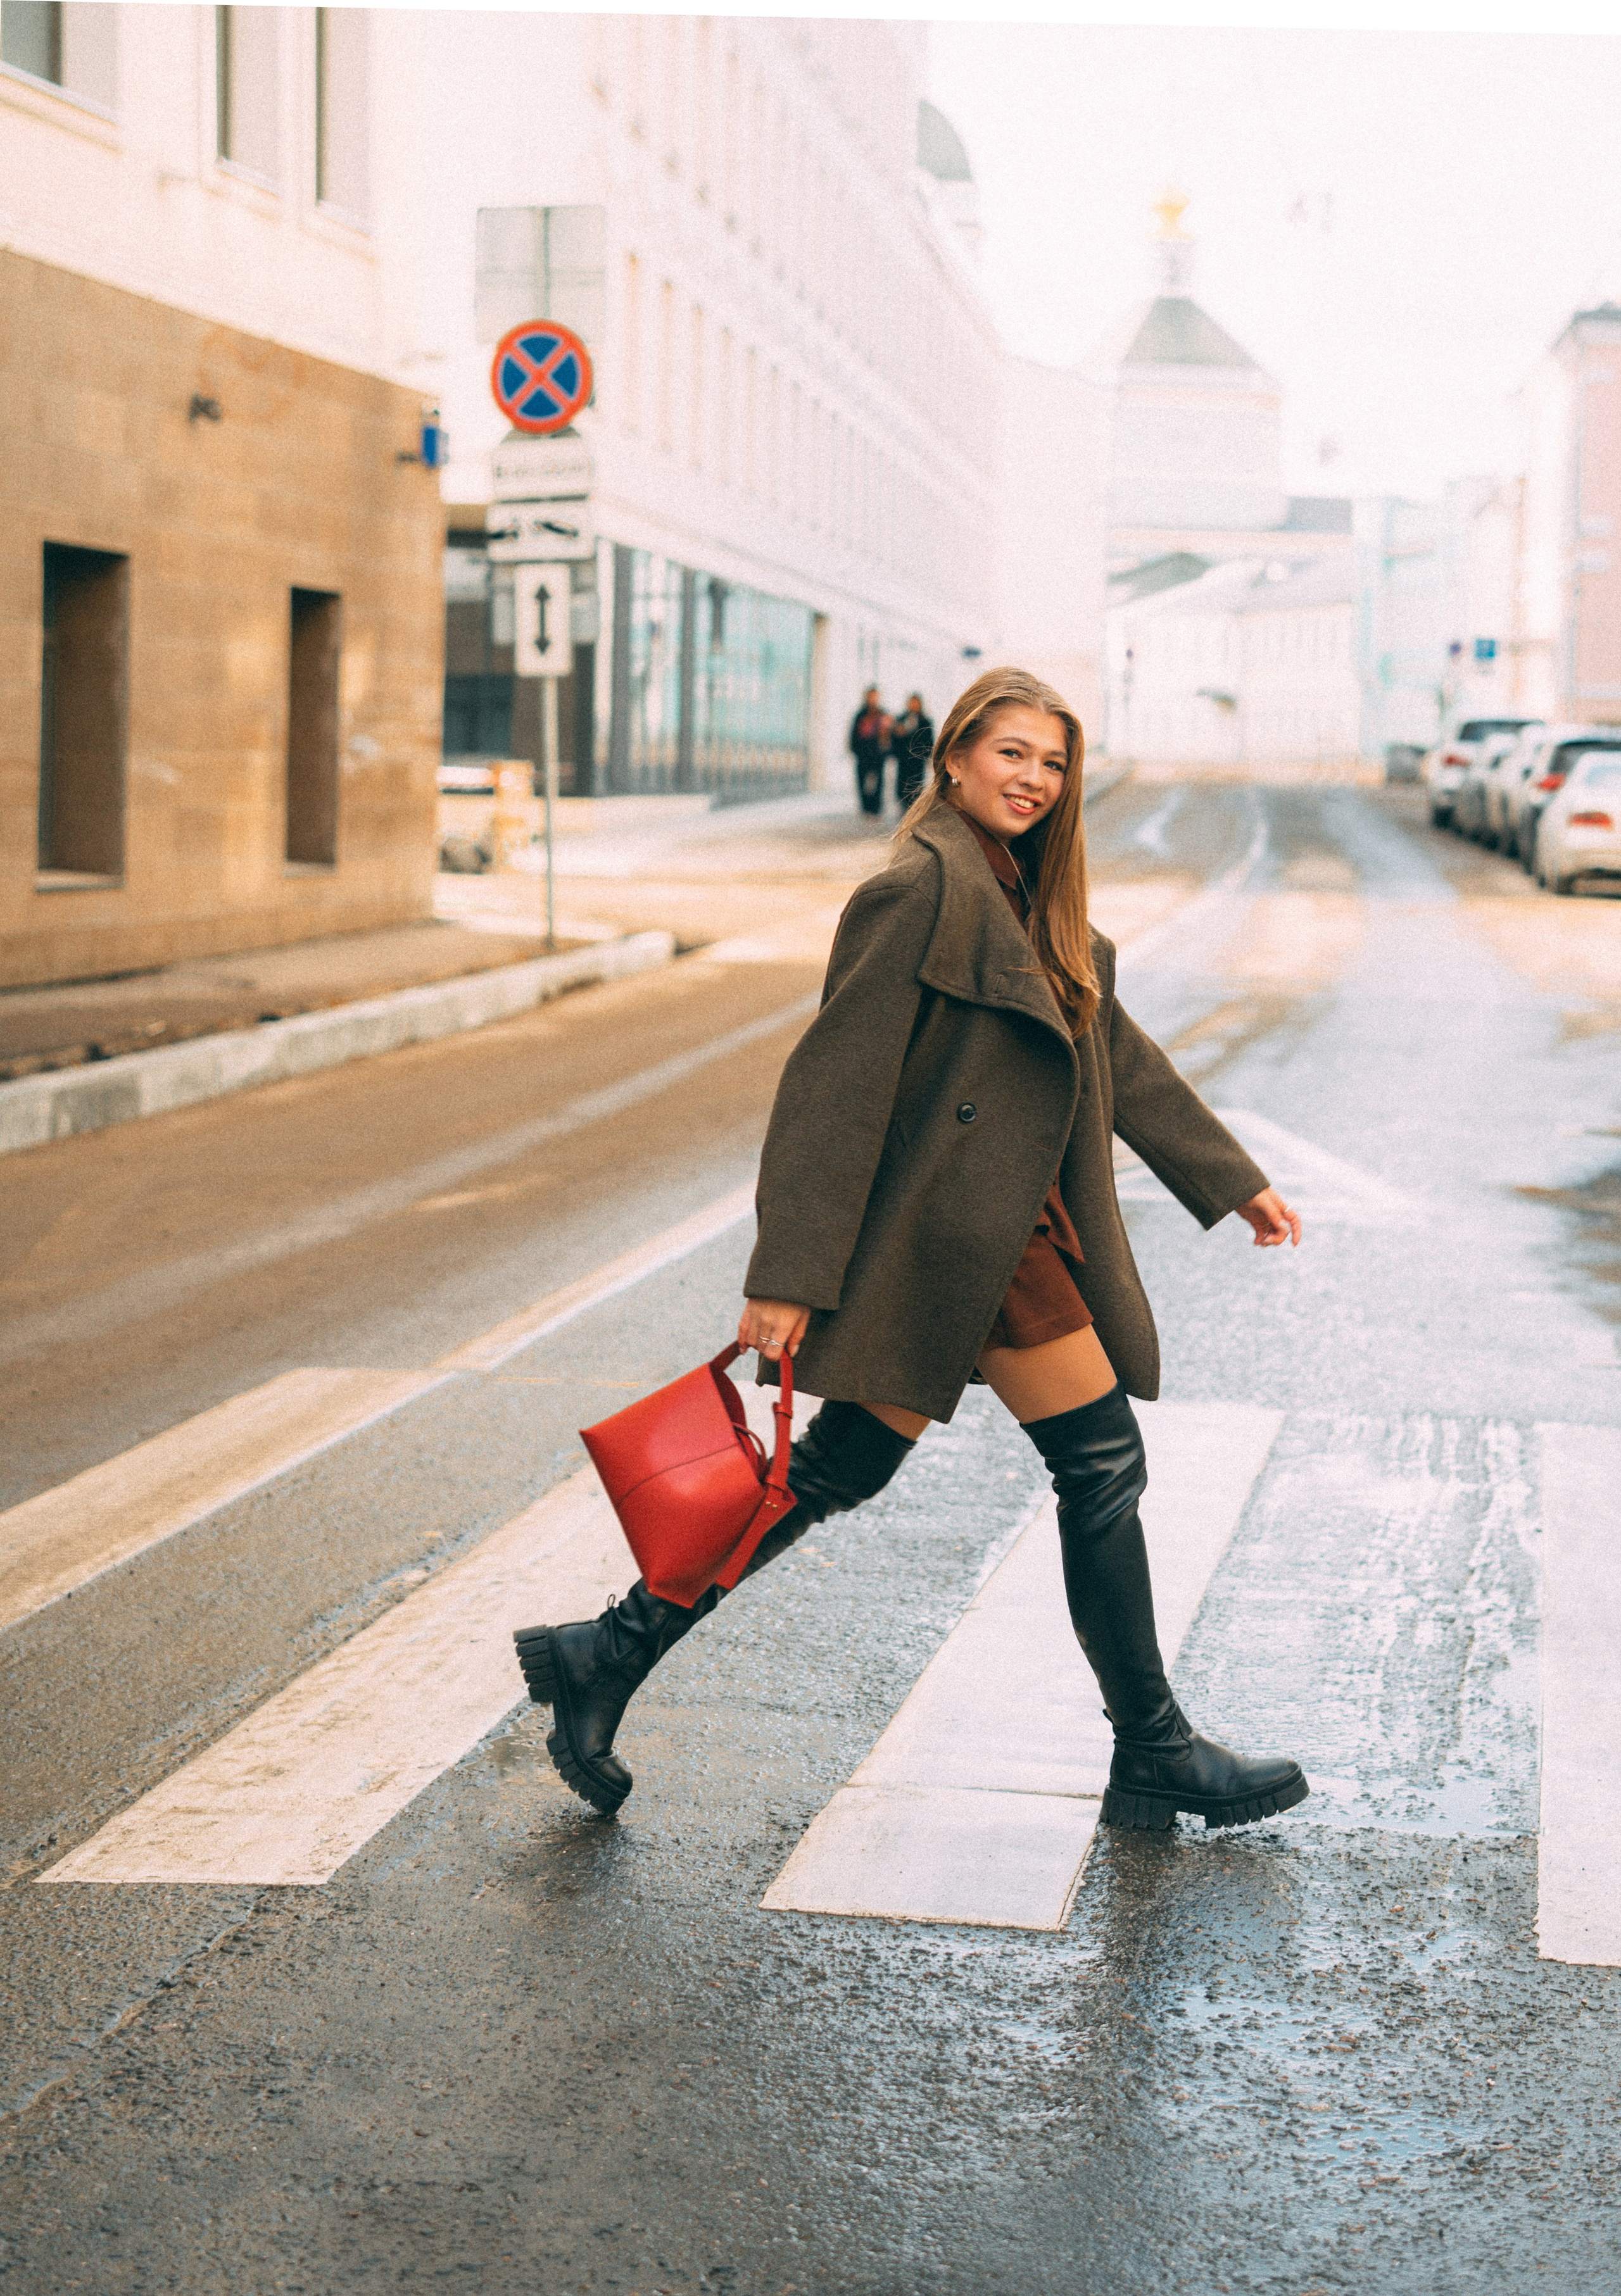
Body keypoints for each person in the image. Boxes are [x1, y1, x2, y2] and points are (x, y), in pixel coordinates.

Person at [517, 666, 1309, 1836]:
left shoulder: (1032, 901)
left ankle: (608, 1651)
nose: (1033, 779)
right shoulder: (917, 892)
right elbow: (832, 1088)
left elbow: (1115, 1054)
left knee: (838, 1469)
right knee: (1101, 1465)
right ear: (953, 757)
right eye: (1012, 753)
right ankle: (1154, 1748)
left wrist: (1228, 1177)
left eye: (1053, 763)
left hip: (989, 1238)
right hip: (966, 1239)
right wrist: (788, 1274)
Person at [848, 686, 890, 817]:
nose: (873, 699)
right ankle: (865, 807)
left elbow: (888, 733)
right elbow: (854, 734)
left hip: (878, 755)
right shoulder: (860, 715)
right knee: (862, 782)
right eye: (871, 696)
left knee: (878, 782)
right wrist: (856, 750)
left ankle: (876, 808)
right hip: (863, 754)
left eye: (875, 696)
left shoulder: (882, 714)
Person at [889, 692, 935, 808]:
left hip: (918, 761)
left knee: (916, 787)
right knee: (902, 788)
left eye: (916, 703)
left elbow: (929, 742)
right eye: (912, 703)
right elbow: (893, 741)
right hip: (903, 760)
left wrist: (926, 756)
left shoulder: (925, 722)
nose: (914, 705)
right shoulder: (900, 720)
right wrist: (898, 734)